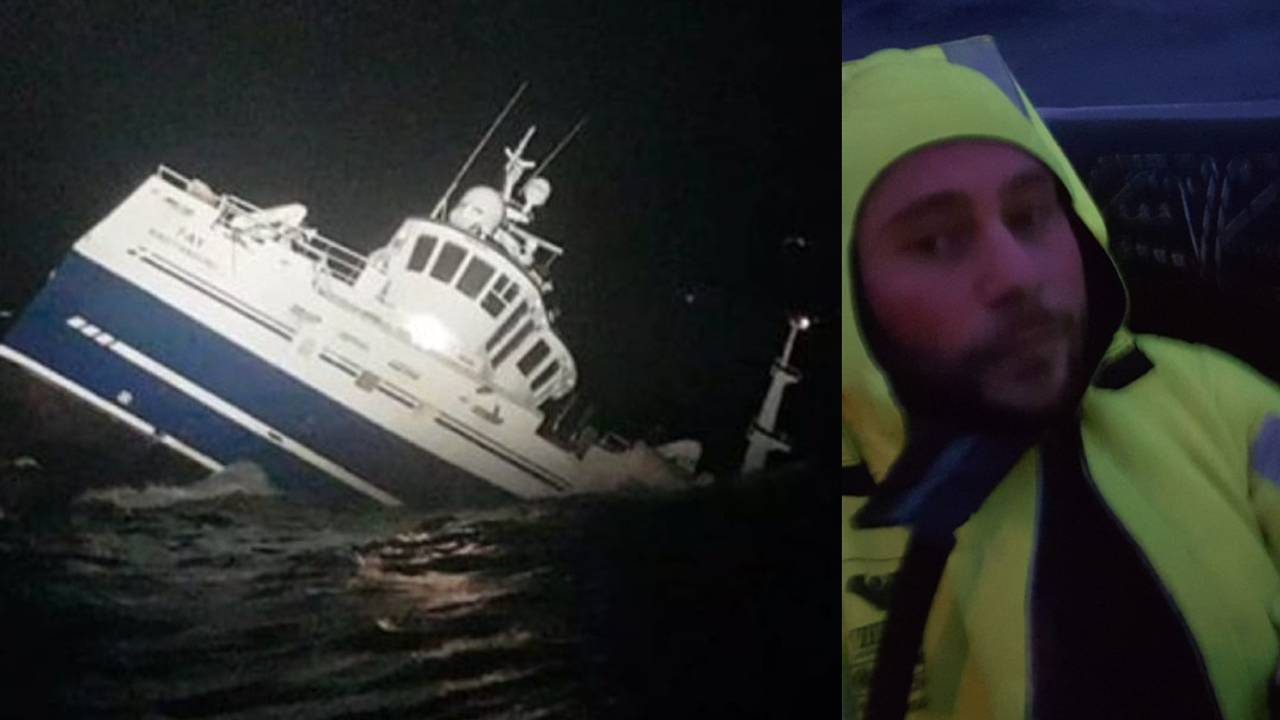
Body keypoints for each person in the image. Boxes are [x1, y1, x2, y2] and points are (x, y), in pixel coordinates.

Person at [841, 36, 1280, 720]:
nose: (1018, 275)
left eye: (1030, 215)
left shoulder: (1213, 399)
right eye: (936, 240)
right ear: (850, 298)